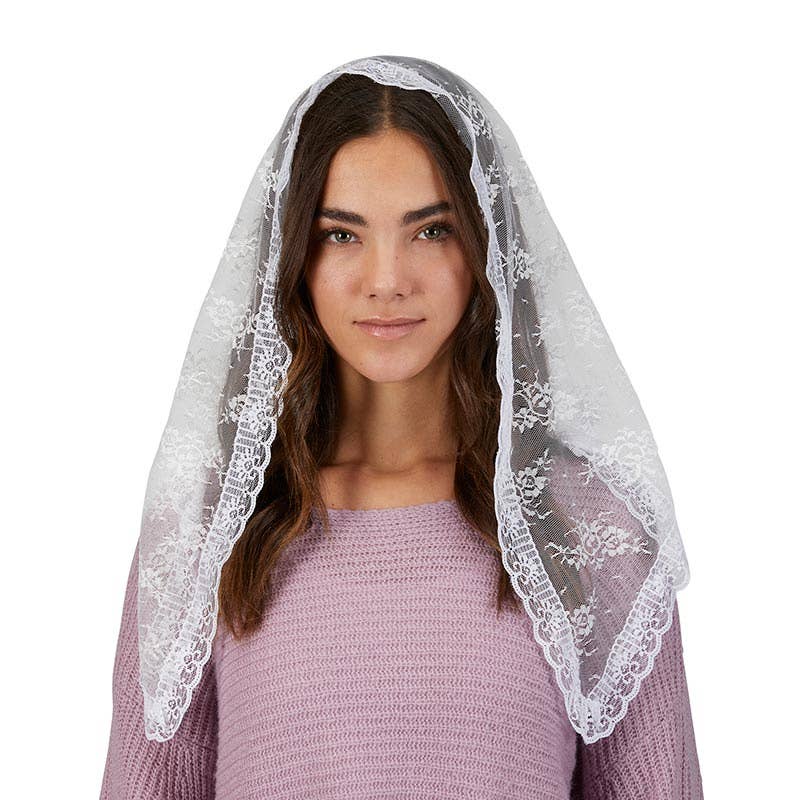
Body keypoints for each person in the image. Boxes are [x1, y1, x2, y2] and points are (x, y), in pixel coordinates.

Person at [100, 55, 704, 799]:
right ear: (292, 257)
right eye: (342, 235)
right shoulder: (210, 532)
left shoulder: (588, 527)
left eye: (431, 230)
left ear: (486, 247)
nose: (386, 280)